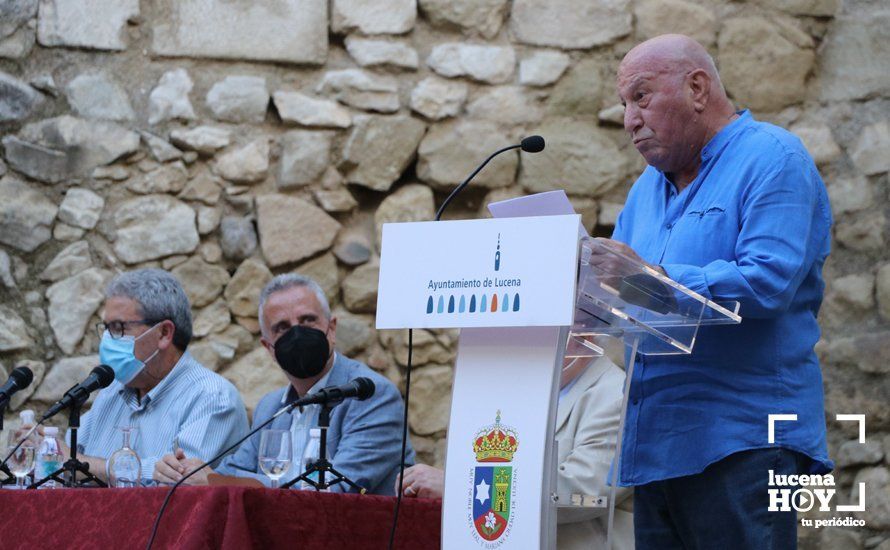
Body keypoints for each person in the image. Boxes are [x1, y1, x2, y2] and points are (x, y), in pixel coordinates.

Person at [590, 34, 833, 548]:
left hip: (744, 440)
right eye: (624, 105)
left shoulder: (774, 158)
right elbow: (622, 291)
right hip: (656, 443)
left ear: (697, 88)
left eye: (641, 97)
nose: (629, 119)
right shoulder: (644, 190)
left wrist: (652, 279)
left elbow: (768, 283)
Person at [154, 274, 415, 495]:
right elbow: (231, 473)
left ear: (331, 329)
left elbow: (334, 490)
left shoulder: (370, 395)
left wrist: (216, 482)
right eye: (282, 327)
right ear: (269, 347)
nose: (297, 334)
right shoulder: (270, 407)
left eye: (308, 321)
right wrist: (185, 472)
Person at [397, 353, 634, 550]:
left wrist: (458, 489)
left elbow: (585, 492)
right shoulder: (522, 390)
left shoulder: (617, 394)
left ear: (584, 329)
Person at [42, 269, 249, 483]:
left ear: (164, 333)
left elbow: (179, 482)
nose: (107, 340)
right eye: (106, 328)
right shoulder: (111, 393)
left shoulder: (213, 397)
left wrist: (79, 463)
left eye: (118, 328)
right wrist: (45, 451)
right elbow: (66, 462)